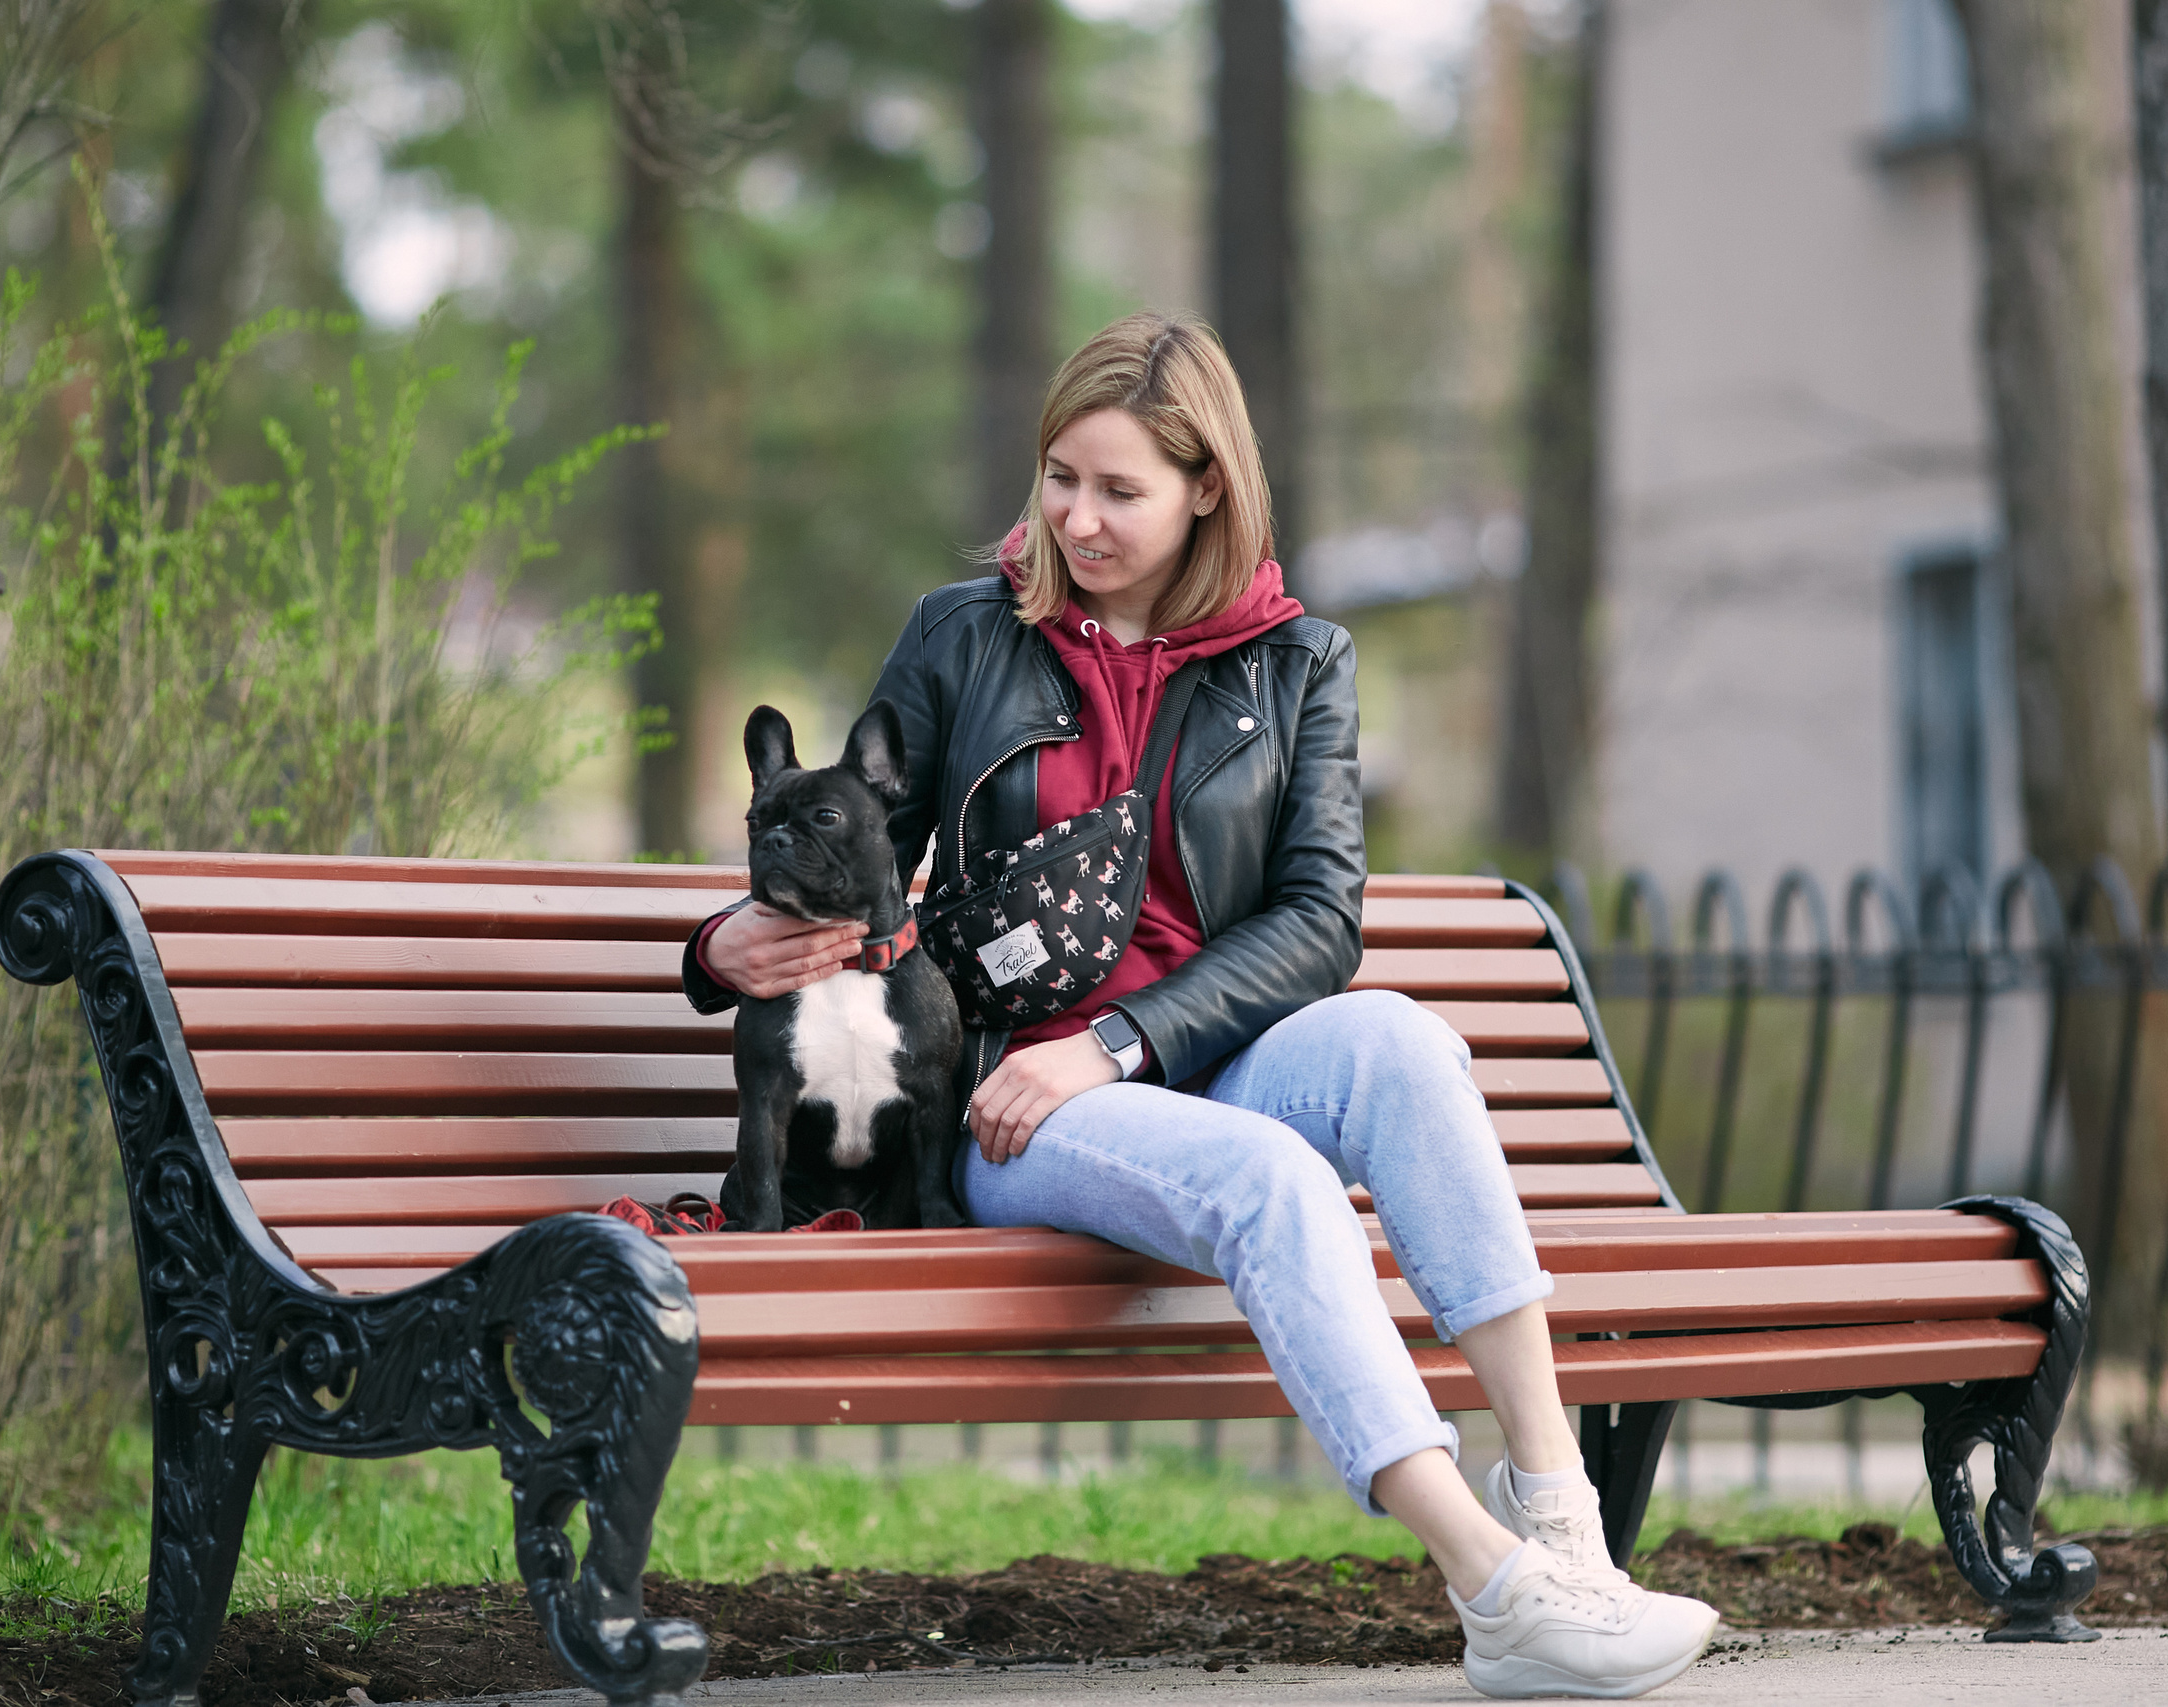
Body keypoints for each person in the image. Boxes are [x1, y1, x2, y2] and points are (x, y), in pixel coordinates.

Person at [683, 313, 1718, 1699]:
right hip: (1013, 1103)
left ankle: (1562, 1524)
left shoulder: (1300, 664)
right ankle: (1493, 1587)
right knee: (1270, 1174)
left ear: (1207, 488)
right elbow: (862, 851)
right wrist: (728, 944)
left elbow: (1321, 920)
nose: (1076, 519)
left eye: (1120, 490)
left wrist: (1122, 1044)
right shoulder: (963, 636)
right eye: (1061, 478)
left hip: (1191, 1062)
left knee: (1405, 1043)